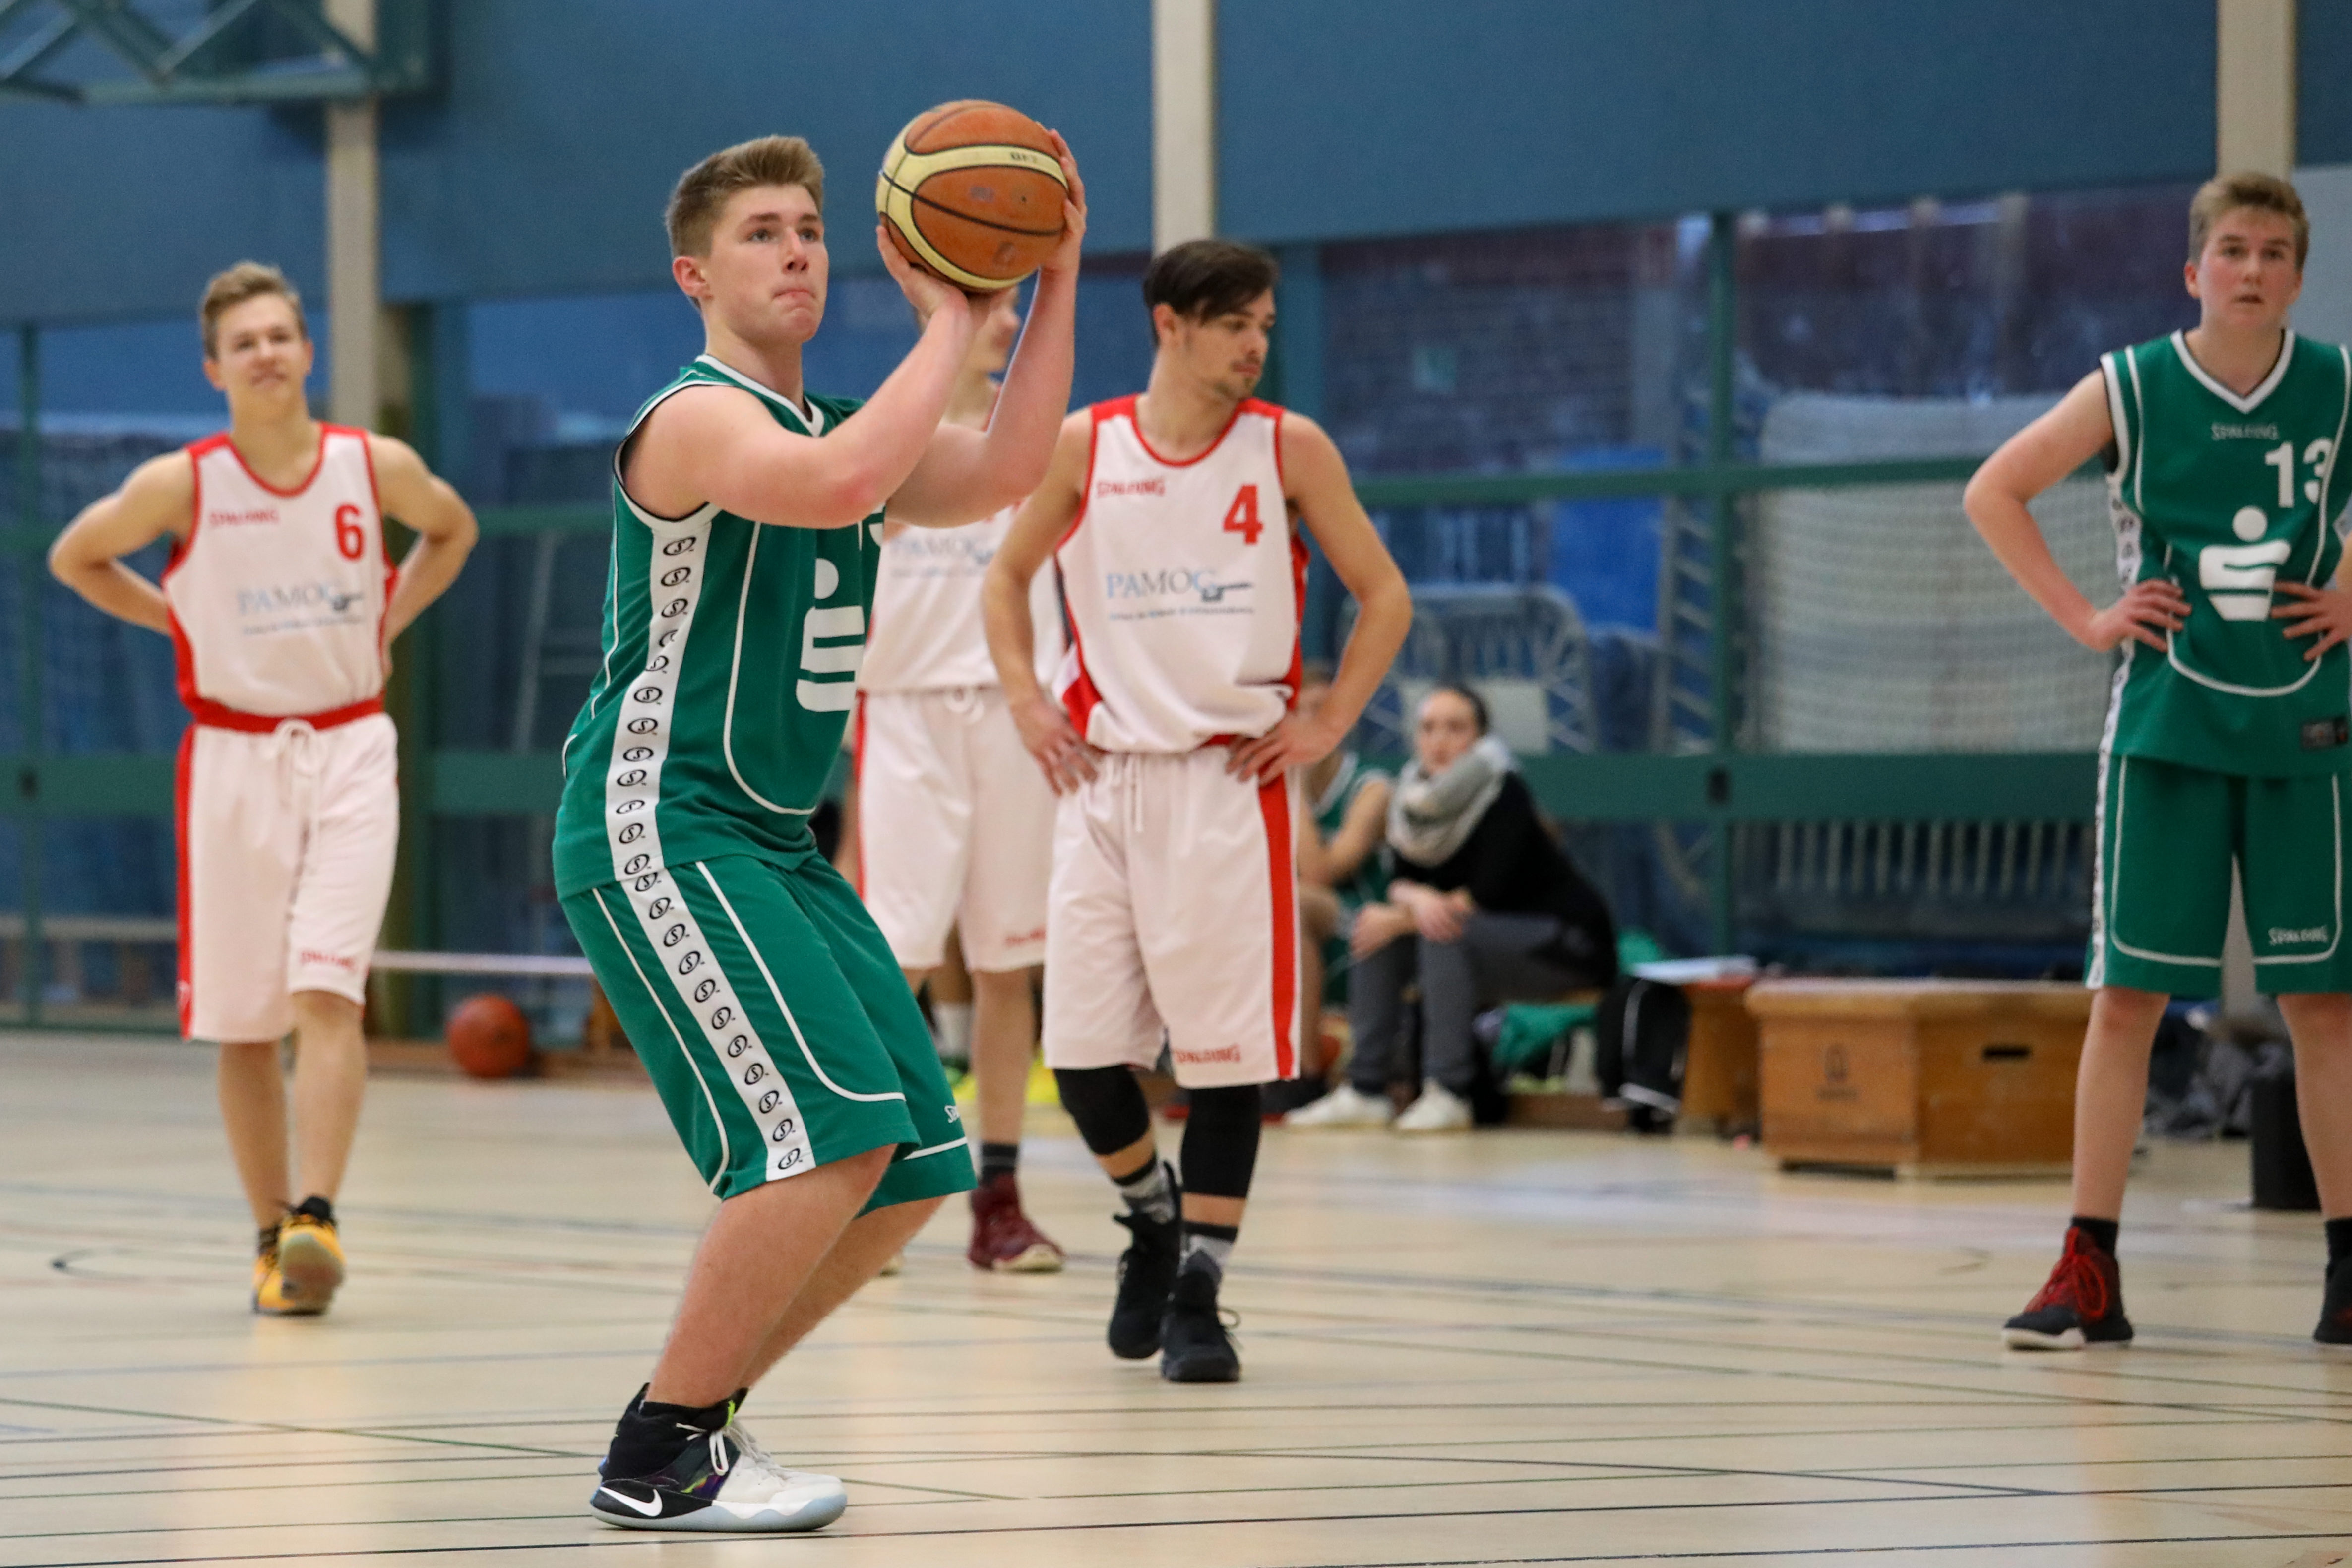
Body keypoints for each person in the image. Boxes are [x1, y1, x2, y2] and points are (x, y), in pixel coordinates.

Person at [551, 133, 1082, 1531]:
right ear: (694, 276)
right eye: (762, 233)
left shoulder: (845, 423)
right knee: (823, 1136)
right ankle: (662, 1449)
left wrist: (1054, 276)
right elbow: (844, 482)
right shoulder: (693, 419)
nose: (796, 250)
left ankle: (687, 1427)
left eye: (808, 229)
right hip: (662, 818)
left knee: (912, 1163)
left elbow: (1011, 465)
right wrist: (952, 318)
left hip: (772, 838)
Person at [983, 238, 1412, 1383]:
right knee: (1083, 1057)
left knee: (1224, 1063)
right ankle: (1151, 1215)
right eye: (1234, 323)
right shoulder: (1087, 442)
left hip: (1228, 783)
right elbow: (1003, 576)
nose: (1255, 344)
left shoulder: (1288, 446)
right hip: (1101, 782)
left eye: (1264, 324)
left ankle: (1201, 1291)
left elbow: (1384, 595)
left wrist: (1328, 722)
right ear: (1169, 323)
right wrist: (1025, 698)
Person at [1964, 172, 2352, 1351]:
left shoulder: (2335, 385)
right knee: (2126, 998)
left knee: (2322, 1004)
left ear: (2297, 276)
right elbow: (1994, 489)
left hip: (2302, 729)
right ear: (2193, 271)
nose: (2251, 269)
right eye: (2231, 249)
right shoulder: (2130, 384)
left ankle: (2348, 1274)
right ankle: (2087, 1267)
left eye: (2272, 252)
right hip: (2164, 729)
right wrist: (2088, 618)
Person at [47, 261, 478, 1317]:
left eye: (281, 334)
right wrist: (178, 618)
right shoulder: (183, 484)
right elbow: (75, 557)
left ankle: (316, 1214)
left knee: (327, 990)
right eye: (244, 342)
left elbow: (454, 527)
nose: (267, 353)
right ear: (214, 369)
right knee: (245, 1022)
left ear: (309, 350)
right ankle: (270, 1235)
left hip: (350, 746)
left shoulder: (371, 464)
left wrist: (391, 615)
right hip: (234, 759)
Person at [856, 288, 1067, 1273]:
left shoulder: (1041, 443)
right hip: (905, 708)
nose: (1006, 322)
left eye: (1014, 307)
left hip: (1013, 710)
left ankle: (1000, 1200)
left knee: (1004, 962)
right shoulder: (878, 437)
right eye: (988, 304)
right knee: (892, 958)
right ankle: (868, 1185)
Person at [1291, 683, 1618, 1132]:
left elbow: (1483, 894)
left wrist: (1411, 911)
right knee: (1374, 930)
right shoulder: (1414, 800)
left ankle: (1449, 1091)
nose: (1439, 740)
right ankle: (1366, 1090)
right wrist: (1410, 904)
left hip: (1565, 942)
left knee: (1442, 931)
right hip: (1481, 940)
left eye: (1455, 728)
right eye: (1428, 728)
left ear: (1479, 737)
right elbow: (1403, 882)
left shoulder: (1502, 790)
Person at [1291, 661, 1392, 1095]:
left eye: (1319, 709)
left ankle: (1306, 1073)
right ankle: (1213, 1071)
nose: (1307, 722)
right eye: (1297, 712)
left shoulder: (1371, 788)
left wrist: (1292, 786)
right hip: (1294, 930)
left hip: (1364, 926)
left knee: (1296, 900)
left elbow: (1320, 873)